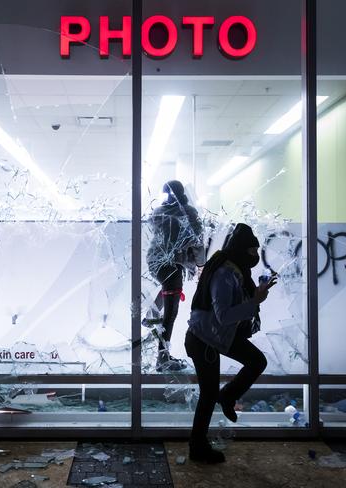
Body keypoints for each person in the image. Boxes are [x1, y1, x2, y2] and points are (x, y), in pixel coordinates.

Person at [185, 223, 275, 463]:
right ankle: (198, 447)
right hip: (204, 339)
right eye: (251, 252)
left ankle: (227, 396)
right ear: (240, 250)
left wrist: (257, 296)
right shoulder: (225, 273)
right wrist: (255, 300)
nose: (255, 257)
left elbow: (236, 308)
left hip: (216, 336)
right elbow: (223, 315)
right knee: (208, 393)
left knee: (256, 361)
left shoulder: (235, 270)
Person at [145, 180, 204, 372]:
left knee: (169, 296)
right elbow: (196, 241)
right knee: (171, 314)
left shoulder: (157, 212)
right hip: (172, 265)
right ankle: (162, 358)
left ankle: (151, 314)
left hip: (155, 262)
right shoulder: (189, 213)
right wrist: (200, 264)